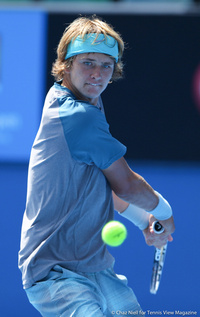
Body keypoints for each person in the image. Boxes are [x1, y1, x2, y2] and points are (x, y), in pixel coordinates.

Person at [18, 15, 175, 317]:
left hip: (95, 266)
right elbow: (126, 185)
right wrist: (165, 213)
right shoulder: (80, 115)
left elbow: (99, 184)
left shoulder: (75, 96)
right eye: (88, 62)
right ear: (65, 64)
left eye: (106, 65)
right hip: (54, 273)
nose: (98, 74)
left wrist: (145, 221)